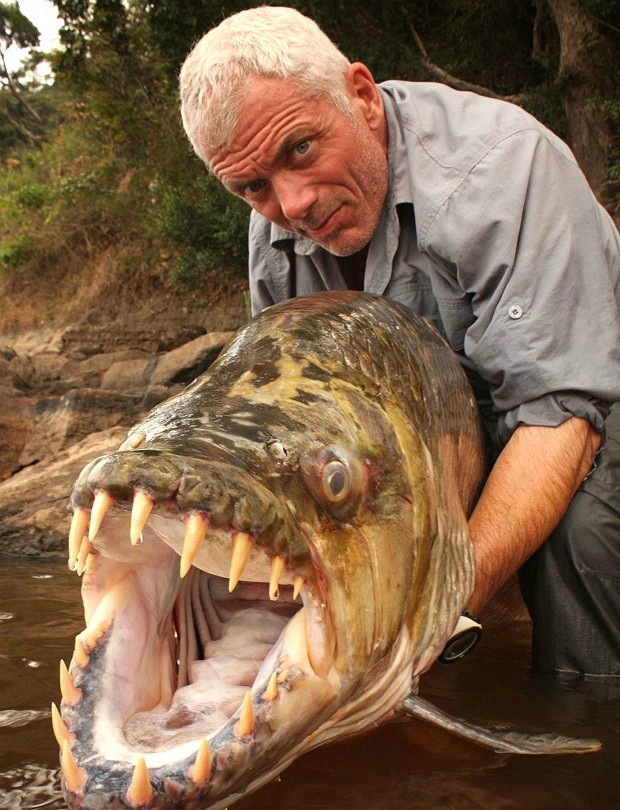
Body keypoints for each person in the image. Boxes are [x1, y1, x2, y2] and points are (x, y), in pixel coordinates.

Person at [179, 6, 620, 677]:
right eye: (253, 186)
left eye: (300, 149)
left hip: (587, 391)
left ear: (361, 96)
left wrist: (428, 610)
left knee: (582, 538)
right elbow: (296, 421)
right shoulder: (272, 236)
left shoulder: (503, 168)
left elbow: (559, 413)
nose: (292, 205)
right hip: (446, 427)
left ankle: (590, 735)